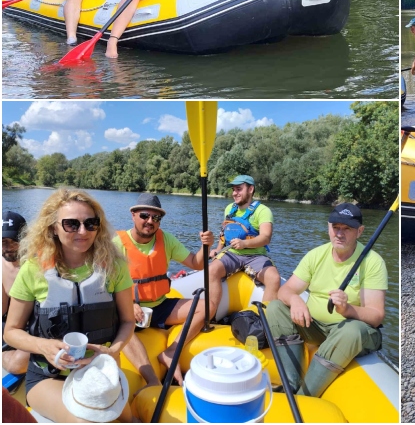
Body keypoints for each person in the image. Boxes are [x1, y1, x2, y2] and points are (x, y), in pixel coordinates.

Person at [1, 189, 136, 422]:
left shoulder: (115, 266)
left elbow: (127, 320)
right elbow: (11, 332)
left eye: (90, 223)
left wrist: (112, 351)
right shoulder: (33, 270)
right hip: (48, 377)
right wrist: (44, 347)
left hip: (100, 374)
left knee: (129, 420)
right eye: (71, 224)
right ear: (53, 227)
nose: (82, 231)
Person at [265, 203, 386, 398]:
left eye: (347, 228)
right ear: (328, 227)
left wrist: (347, 309)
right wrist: (295, 300)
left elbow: (376, 315)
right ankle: (291, 383)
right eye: (336, 227)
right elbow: (286, 290)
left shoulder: (373, 262)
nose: (340, 233)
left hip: (353, 332)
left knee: (351, 330)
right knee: (276, 308)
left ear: (360, 231)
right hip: (315, 327)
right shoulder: (316, 254)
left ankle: (305, 396)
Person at [112, 193, 215, 387]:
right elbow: (106, 285)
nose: (150, 221)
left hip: (160, 306)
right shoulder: (117, 244)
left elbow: (196, 263)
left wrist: (205, 246)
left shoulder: (166, 240)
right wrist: (129, 305)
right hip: (131, 310)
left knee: (206, 306)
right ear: (133, 215)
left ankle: (170, 353)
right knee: (122, 328)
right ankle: (152, 381)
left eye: (156, 218)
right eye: (144, 216)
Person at [204, 175, 282, 327]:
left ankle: (264, 324)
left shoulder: (263, 211)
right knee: (211, 270)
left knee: (273, 278)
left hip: (255, 256)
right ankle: (209, 317)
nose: (234, 193)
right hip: (232, 254)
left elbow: (266, 237)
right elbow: (223, 233)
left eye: (239, 189)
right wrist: (217, 250)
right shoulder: (229, 209)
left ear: (251, 189)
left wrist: (245, 243)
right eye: (233, 190)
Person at [2, 211, 29, 376]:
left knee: (19, 363)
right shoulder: (1, 265)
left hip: (33, 329)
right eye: (3, 242)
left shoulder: (38, 264)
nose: (8, 248)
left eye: (14, 241)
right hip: (10, 328)